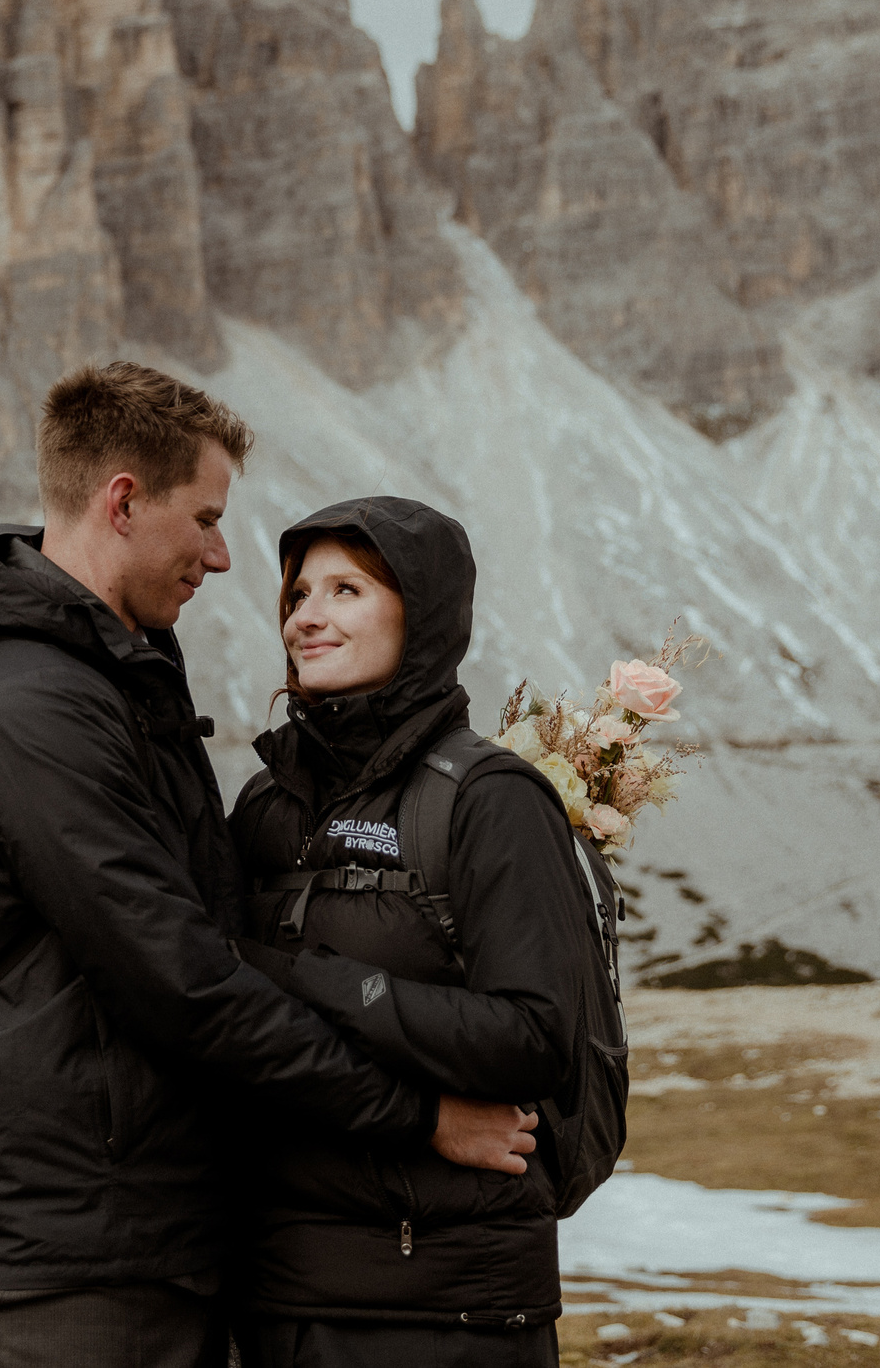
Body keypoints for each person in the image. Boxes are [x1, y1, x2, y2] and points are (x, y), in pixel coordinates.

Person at [0, 366, 535, 1368]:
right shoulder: (31, 708)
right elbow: (184, 981)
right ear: (122, 502)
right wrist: (418, 1115)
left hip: (128, 1235)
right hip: (64, 1255)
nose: (224, 556)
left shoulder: (107, 676)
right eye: (205, 518)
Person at [227, 496, 609, 1367]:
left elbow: (536, 1037)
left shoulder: (490, 799)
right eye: (298, 593)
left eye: (347, 590)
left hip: (448, 1314)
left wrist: (318, 979)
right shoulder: (263, 803)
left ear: (422, 616)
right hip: (277, 1300)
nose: (306, 616)